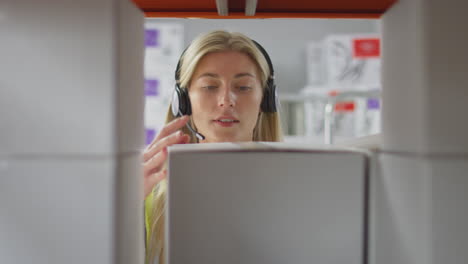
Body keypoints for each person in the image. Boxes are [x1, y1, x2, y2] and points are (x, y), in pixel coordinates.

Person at [142, 30, 283, 264]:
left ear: (265, 100)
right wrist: (123, 204)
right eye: (209, 86)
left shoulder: (293, 189)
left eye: (243, 87)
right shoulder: (148, 192)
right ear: (183, 101)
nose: (226, 100)